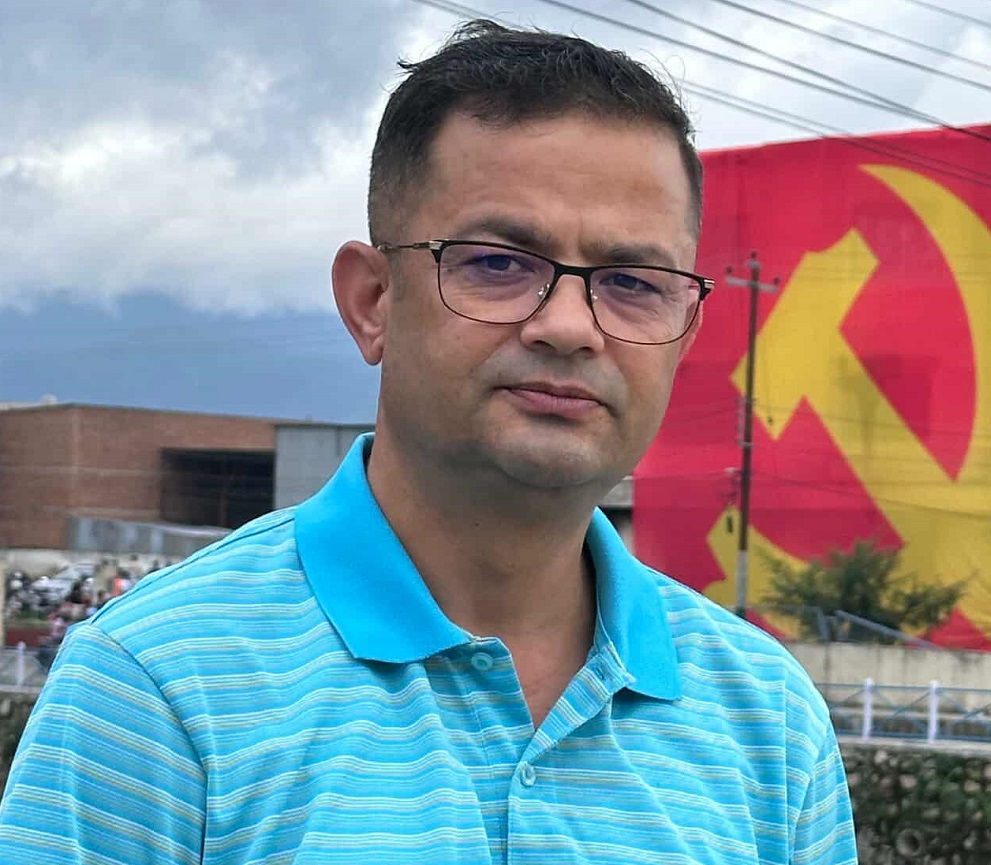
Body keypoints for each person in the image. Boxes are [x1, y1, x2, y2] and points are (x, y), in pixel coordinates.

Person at [0, 20, 857, 865]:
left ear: (685, 332)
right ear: (372, 301)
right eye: (498, 263)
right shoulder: (157, 685)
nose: (569, 326)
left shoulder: (769, 723)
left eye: (632, 282)